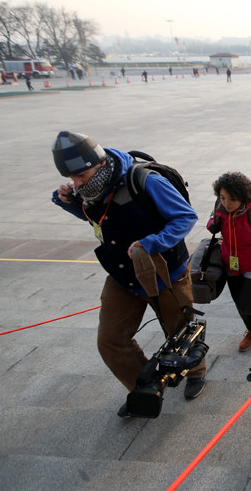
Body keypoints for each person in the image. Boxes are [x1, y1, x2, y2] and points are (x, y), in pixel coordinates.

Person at [50, 131, 204, 417]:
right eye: (72, 179)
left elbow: (186, 216)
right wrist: (70, 203)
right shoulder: (92, 188)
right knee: (110, 340)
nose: (77, 183)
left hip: (164, 271)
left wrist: (151, 242)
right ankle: (145, 388)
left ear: (99, 164)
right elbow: (100, 219)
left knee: (179, 330)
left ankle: (195, 372)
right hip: (123, 275)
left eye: (81, 176)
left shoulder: (145, 181)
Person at [207, 172, 251, 353]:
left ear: (243, 197)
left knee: (246, 303)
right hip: (230, 263)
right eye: (223, 197)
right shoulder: (220, 207)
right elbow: (212, 219)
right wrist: (213, 222)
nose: (226, 203)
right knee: (239, 304)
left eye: (231, 200)